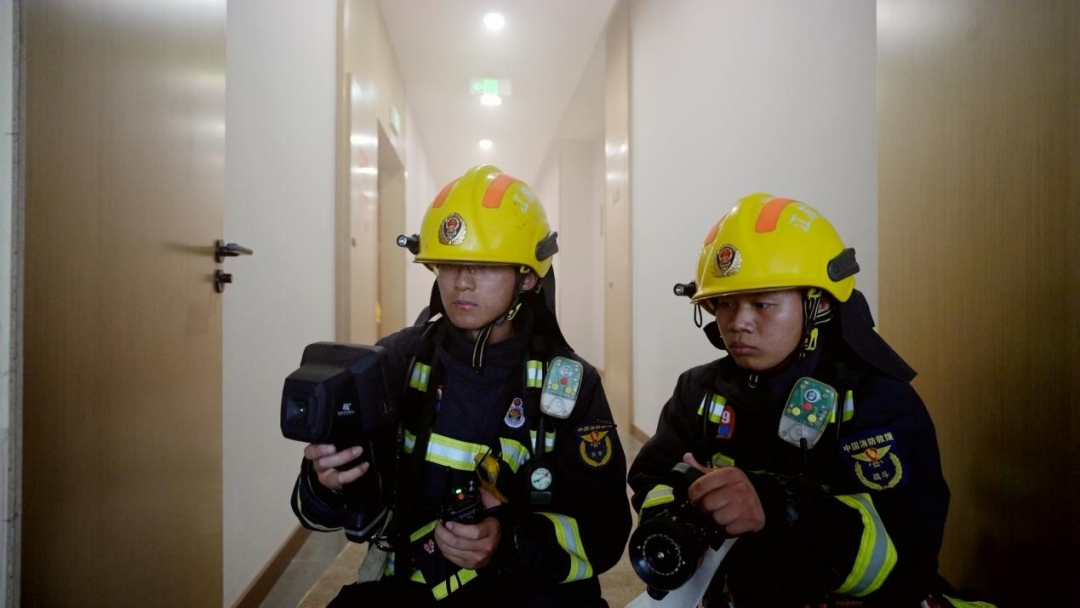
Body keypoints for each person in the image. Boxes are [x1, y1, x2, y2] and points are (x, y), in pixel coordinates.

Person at [291, 165, 631, 607]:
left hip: (523, 591)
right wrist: (327, 482)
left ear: (528, 277)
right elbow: (316, 515)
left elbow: (605, 534)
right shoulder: (397, 361)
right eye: (449, 264)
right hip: (412, 586)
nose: (461, 282)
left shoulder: (568, 385)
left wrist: (508, 541)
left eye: (484, 265)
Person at [628, 193, 951, 606]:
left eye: (763, 304)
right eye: (724, 303)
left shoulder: (876, 400)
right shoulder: (698, 391)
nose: (738, 323)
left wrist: (782, 508)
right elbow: (652, 477)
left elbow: (907, 557)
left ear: (818, 303)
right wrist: (675, 513)